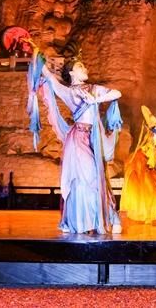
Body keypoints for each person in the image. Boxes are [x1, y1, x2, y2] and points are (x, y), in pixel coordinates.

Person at [27, 43, 123, 234]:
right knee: (86, 176)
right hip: (78, 138)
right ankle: (80, 221)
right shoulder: (68, 91)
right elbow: (48, 76)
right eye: (80, 66)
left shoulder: (93, 89)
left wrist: (95, 100)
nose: (85, 69)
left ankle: (104, 218)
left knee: (97, 176)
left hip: (93, 138)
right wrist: (35, 51)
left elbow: (116, 93)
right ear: (71, 72)